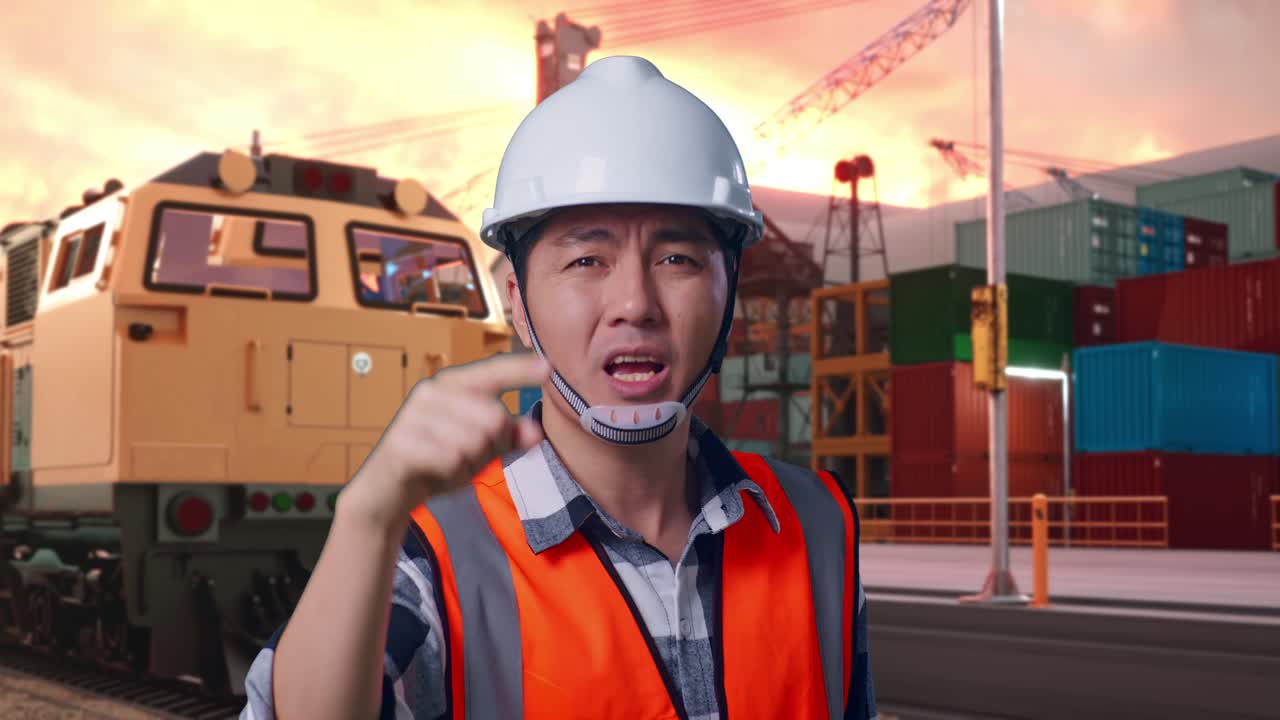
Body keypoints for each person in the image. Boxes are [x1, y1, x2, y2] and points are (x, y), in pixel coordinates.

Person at [241, 55, 875, 720]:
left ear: (729, 290)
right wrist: (366, 517)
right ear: (516, 299)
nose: (635, 302)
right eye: (585, 260)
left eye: (678, 259)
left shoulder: (817, 522)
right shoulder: (435, 552)